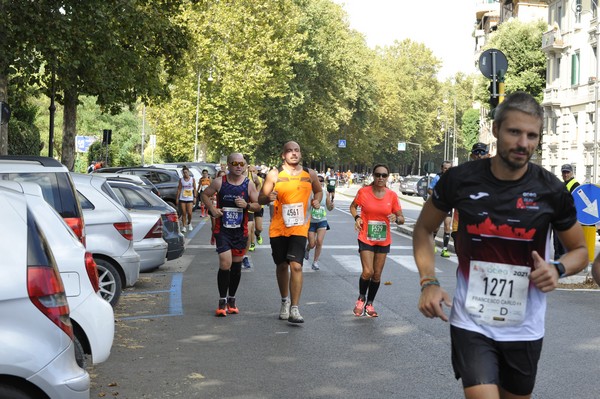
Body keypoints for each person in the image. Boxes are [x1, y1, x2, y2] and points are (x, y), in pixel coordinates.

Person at [412, 92, 588, 398]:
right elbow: (423, 229)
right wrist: (429, 280)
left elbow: (581, 251)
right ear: (495, 130)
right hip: (472, 323)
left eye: (532, 135)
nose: (524, 144)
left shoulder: (551, 190)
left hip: (525, 328)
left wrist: (558, 269)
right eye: (514, 132)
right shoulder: (459, 180)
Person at [258, 141, 323, 323]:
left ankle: (295, 308)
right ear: (283, 155)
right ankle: (284, 301)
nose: (293, 153)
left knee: (296, 265)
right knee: (282, 266)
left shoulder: (309, 174)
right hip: (278, 228)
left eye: (296, 150)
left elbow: (318, 192)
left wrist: (317, 200)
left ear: (300, 154)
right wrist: (267, 197)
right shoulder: (274, 174)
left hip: (299, 227)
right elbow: (261, 198)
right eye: (289, 151)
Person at [200, 153, 260, 316]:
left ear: (245, 165)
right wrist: (212, 210)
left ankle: (231, 298)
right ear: (228, 165)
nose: (239, 166)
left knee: (236, 266)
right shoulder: (220, 182)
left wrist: (246, 205)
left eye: (242, 163)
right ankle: (222, 301)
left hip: (240, 231)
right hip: (223, 230)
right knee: (225, 263)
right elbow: (204, 194)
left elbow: (258, 206)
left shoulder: (248, 185)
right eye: (235, 163)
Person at [349, 164, 404, 317]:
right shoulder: (364, 192)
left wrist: (396, 218)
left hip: (383, 239)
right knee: (368, 271)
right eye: (378, 175)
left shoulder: (392, 196)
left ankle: (370, 304)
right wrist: (357, 217)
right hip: (366, 236)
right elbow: (353, 207)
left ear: (388, 177)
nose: (380, 178)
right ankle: (361, 298)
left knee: (377, 275)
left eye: (384, 175)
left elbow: (402, 218)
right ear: (373, 176)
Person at [304, 175, 334, 270]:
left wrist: (331, 206)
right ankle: (307, 249)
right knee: (312, 244)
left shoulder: (325, 193)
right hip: (311, 222)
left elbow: (329, 208)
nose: (320, 182)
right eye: (318, 180)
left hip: (322, 221)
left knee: (319, 241)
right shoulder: (308, 193)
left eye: (321, 181)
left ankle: (315, 262)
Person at [553, 164, 581, 259]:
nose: (565, 174)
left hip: (567, 220)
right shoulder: (562, 184)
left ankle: (563, 264)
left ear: (572, 173)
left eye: (567, 172)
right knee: (558, 245)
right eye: (564, 172)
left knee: (564, 245)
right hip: (558, 218)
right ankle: (559, 262)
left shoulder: (576, 185)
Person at [427, 161, 453, 258]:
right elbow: (429, 189)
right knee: (436, 227)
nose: (447, 170)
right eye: (445, 168)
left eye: (449, 168)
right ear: (442, 169)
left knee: (447, 226)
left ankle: (444, 250)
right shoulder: (438, 177)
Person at [176, 167, 197, 233]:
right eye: (184, 173)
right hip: (183, 198)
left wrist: (195, 197)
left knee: (190, 213)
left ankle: (189, 223)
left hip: (190, 198)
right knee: (184, 212)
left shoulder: (192, 179)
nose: (185, 174)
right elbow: (179, 189)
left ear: (188, 172)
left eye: (186, 172)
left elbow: (195, 188)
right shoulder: (181, 180)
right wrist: (177, 198)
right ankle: (184, 226)